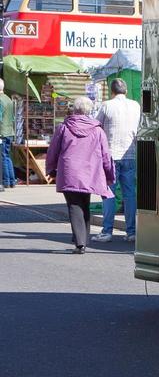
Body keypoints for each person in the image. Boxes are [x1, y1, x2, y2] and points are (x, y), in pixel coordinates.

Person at [44, 97, 114, 254]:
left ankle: (80, 242)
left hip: (69, 171)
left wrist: (50, 168)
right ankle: (82, 239)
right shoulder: (97, 130)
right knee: (84, 203)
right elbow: (105, 155)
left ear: (73, 109)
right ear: (89, 110)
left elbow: (53, 150)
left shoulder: (64, 128)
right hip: (90, 172)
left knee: (74, 205)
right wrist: (109, 175)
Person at [96, 79, 141, 243]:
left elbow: (96, 126)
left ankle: (107, 231)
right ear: (126, 91)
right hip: (130, 154)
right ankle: (131, 232)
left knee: (108, 193)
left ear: (111, 91)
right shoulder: (136, 105)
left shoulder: (107, 105)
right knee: (130, 194)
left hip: (110, 155)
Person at [0, 89, 16, 192]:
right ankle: (11, 181)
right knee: (7, 156)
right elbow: (13, 118)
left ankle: (6, 181)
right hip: (9, 131)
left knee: (2, 157)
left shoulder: (0, 100)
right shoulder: (8, 99)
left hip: (2, 132)